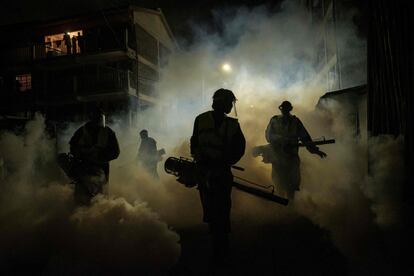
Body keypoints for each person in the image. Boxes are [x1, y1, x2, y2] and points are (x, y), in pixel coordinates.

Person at [190, 88, 246, 266]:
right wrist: (205, 162)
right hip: (210, 172)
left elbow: (239, 148)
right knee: (215, 208)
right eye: (230, 102)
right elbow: (195, 143)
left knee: (218, 209)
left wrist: (222, 162)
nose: (231, 106)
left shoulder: (209, 120)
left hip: (216, 172)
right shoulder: (211, 121)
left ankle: (219, 246)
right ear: (224, 103)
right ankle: (219, 246)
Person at [265, 100, 326, 199]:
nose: (284, 110)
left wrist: (315, 150)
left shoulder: (295, 122)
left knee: (291, 186)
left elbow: (305, 138)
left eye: (286, 108)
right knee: (279, 185)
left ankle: (290, 209)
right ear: (281, 109)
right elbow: (268, 136)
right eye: (283, 108)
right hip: (278, 158)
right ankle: (280, 210)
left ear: (290, 109)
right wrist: (282, 139)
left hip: (291, 159)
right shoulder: (274, 120)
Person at [69, 108, 120, 204]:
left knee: (101, 192)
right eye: (97, 119)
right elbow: (73, 146)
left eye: (100, 119)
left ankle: (100, 211)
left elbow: (115, 152)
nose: (98, 122)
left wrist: (101, 157)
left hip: (101, 165)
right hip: (84, 164)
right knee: (83, 190)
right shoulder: (82, 131)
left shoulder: (108, 132)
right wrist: (81, 154)